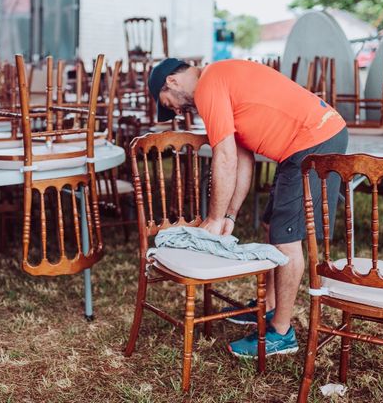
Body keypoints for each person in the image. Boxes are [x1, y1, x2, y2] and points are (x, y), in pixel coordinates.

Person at [148, 57, 348, 358]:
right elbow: (242, 159)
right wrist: (229, 215)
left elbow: (225, 157)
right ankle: (266, 308)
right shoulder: (218, 81)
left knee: (287, 239)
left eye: (168, 103)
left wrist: (214, 219)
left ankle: (282, 333)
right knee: (273, 226)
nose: (175, 111)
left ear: (173, 82)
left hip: (314, 140)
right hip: (303, 143)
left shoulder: (208, 86)